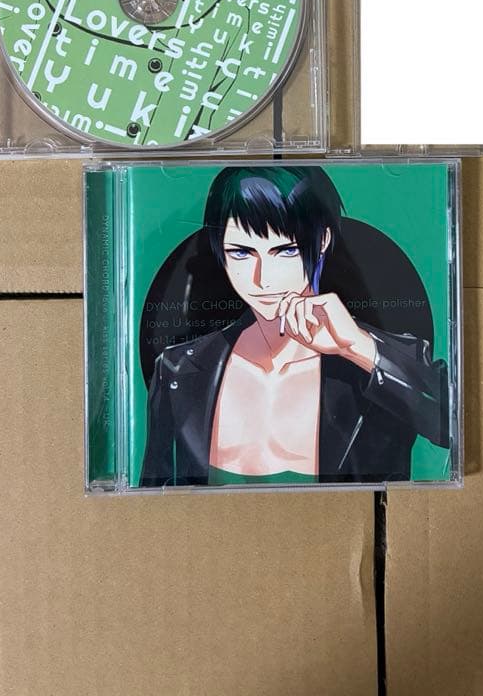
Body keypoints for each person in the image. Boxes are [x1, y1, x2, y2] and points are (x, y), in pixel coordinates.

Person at [140, 166, 450, 486]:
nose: (263, 278)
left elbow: (457, 426)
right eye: (242, 253)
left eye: (286, 251)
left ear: (322, 240)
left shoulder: (377, 357)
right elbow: (152, 495)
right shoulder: (177, 370)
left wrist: (358, 348)